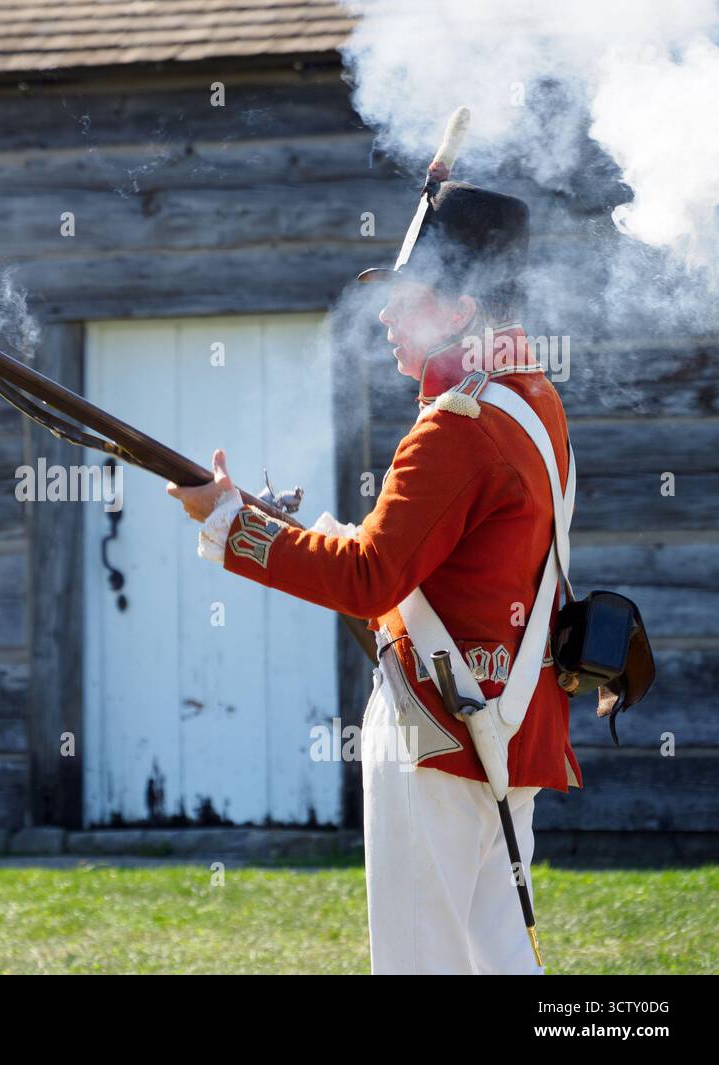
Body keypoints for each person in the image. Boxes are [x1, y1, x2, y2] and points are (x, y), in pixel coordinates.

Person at [167, 182, 579, 975]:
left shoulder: (457, 425)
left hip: (435, 728)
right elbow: (417, 563)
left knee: (419, 962)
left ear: (459, 309)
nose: (386, 316)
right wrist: (277, 524)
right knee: (494, 957)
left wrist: (230, 527)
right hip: (506, 722)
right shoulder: (531, 400)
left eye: (407, 298)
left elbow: (369, 578)